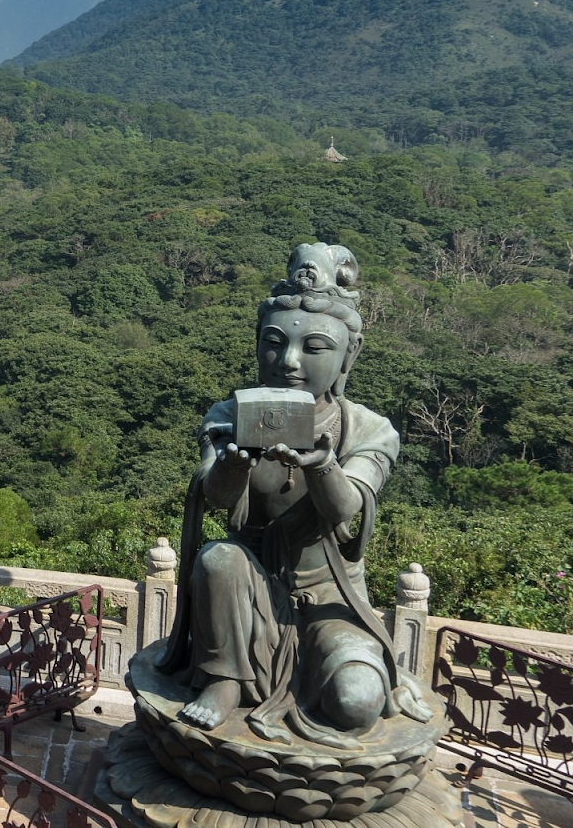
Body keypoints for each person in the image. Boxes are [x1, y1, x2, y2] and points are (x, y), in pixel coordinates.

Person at [158, 243, 430, 747]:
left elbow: (349, 512)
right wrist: (234, 467)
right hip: (246, 592)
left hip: (330, 597)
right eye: (274, 342)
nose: (287, 361)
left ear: (350, 354)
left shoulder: (369, 429)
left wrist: (324, 464)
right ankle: (224, 679)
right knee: (219, 559)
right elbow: (217, 502)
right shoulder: (229, 414)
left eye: (315, 348)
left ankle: (334, 672)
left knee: (357, 704)